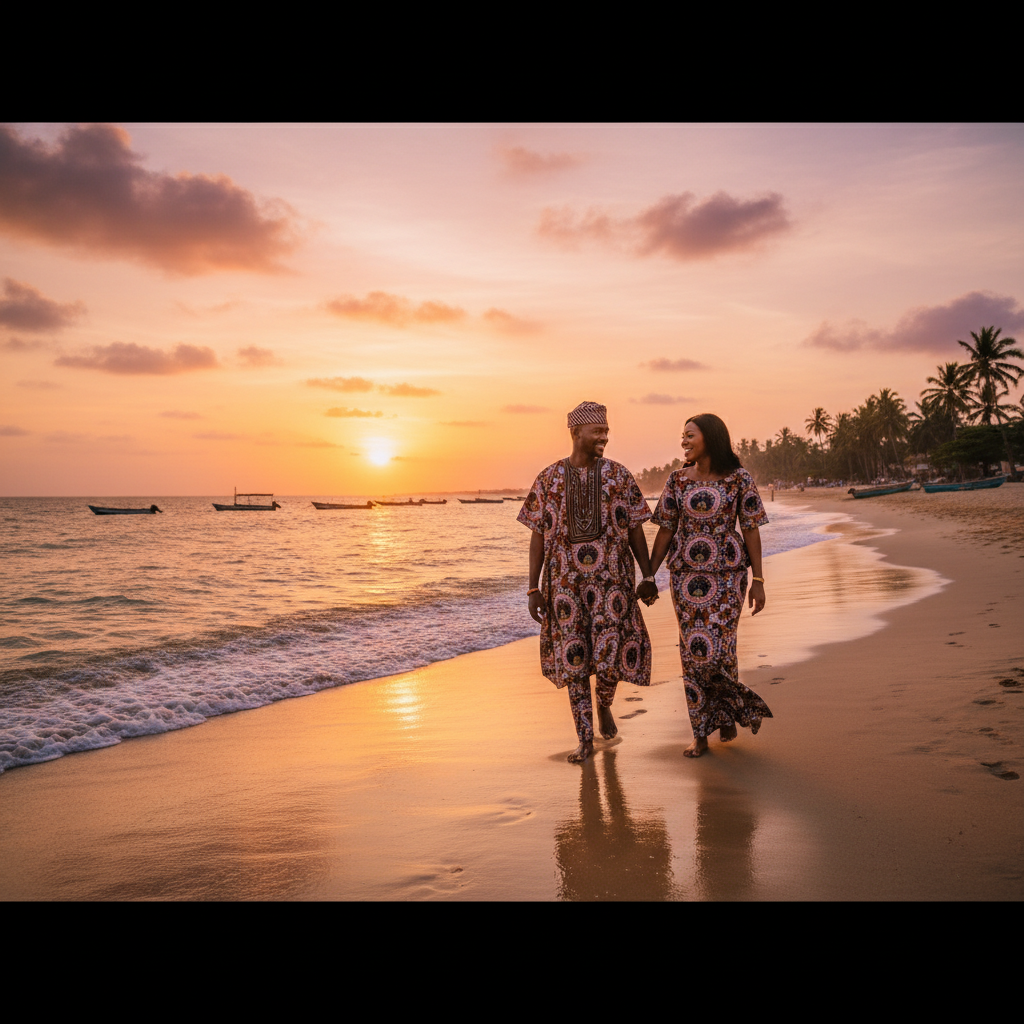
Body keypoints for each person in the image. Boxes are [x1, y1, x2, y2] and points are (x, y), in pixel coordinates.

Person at [519, 401, 659, 764]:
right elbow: (537, 535)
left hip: (613, 584)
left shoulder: (619, 475)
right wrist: (533, 587)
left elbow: (635, 529)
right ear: (576, 433)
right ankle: (584, 738)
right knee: (575, 659)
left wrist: (647, 576)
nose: (605, 437)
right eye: (598, 431)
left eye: (607, 430)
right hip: (565, 589)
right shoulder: (548, 479)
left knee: (610, 656)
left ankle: (605, 703)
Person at [649, 413, 773, 758]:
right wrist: (648, 574)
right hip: (685, 578)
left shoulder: (738, 479)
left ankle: (729, 709)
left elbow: (750, 528)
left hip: (729, 576)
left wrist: (758, 581)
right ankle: (701, 732)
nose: (684, 441)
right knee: (692, 653)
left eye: (690, 435)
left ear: (710, 438)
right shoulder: (677, 481)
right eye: (682, 436)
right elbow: (665, 529)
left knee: (719, 650)